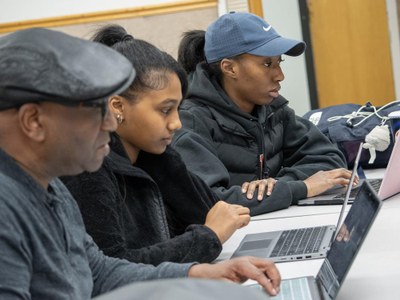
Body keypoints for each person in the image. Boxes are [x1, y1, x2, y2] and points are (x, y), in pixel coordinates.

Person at [0, 27, 281, 299]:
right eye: (95, 109)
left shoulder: (50, 188)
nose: (111, 123)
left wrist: (196, 273)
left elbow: (98, 271)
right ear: (33, 122)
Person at [62, 24, 250, 265]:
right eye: (165, 110)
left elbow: (209, 212)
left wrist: (163, 158)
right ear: (117, 107)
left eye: (177, 109)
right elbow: (113, 266)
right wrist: (208, 237)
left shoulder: (148, 154)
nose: (176, 123)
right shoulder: (88, 169)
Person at [172, 12, 352, 216]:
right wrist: (302, 188)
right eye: (267, 64)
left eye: (279, 62)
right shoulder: (190, 122)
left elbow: (330, 159)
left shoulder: (273, 109)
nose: (280, 76)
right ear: (229, 68)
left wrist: (279, 185)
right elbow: (212, 203)